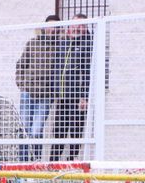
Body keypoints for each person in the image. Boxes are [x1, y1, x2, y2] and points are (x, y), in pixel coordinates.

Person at [15, 15, 61, 162]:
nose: (51, 29)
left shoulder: (61, 46)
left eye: (55, 27)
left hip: (45, 95)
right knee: (24, 129)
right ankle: (22, 164)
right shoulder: (33, 43)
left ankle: (35, 164)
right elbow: (21, 64)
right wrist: (22, 84)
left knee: (36, 131)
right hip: (28, 92)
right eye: (49, 26)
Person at [50, 15, 93, 162]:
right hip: (62, 96)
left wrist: (85, 97)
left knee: (75, 130)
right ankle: (52, 163)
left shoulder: (88, 45)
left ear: (85, 28)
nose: (77, 28)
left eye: (81, 25)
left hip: (77, 97)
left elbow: (88, 73)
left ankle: (71, 161)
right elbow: (56, 69)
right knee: (58, 131)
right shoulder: (63, 43)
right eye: (75, 25)